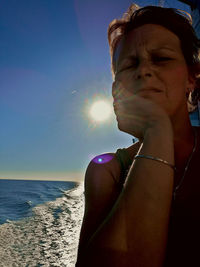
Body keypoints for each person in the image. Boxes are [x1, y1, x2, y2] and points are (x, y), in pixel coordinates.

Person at [76, 4, 200, 267]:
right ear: (117, 88)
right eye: (130, 64)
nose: (144, 70)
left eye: (161, 59)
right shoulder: (107, 171)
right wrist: (157, 129)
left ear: (191, 78)